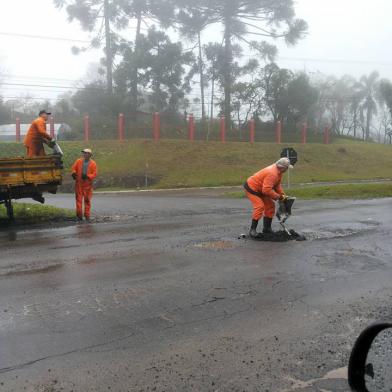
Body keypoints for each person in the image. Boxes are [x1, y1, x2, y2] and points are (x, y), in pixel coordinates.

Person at [244, 157, 293, 238]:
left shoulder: (278, 172)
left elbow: (277, 185)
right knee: (259, 206)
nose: (287, 169)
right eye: (287, 168)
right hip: (252, 188)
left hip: (261, 189)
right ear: (283, 167)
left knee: (270, 206)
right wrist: (278, 197)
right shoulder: (272, 173)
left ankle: (267, 229)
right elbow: (266, 190)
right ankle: (252, 230)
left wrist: (283, 195)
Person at [71, 149, 98, 221]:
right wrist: (73, 173)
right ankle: (79, 216)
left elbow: (94, 174)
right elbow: (73, 168)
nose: (84, 154)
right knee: (78, 200)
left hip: (88, 185)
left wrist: (88, 176)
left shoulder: (93, 163)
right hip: (79, 183)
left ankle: (87, 215)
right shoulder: (78, 161)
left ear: (90, 155)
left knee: (87, 200)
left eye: (86, 153)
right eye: (84, 153)